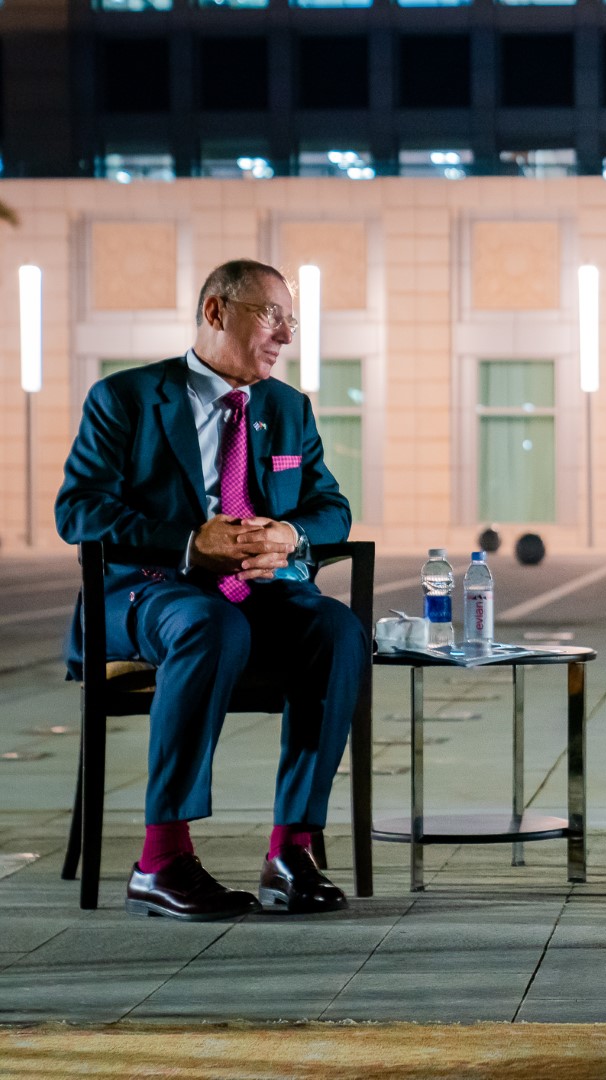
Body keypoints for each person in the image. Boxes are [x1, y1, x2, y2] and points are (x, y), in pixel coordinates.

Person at [57, 259, 365, 921]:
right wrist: (192, 543)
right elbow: (78, 512)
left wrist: (289, 533)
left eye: (291, 321)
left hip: (252, 591)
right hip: (146, 590)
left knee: (338, 630)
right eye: (270, 315)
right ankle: (161, 859)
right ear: (218, 312)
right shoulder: (127, 398)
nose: (285, 335)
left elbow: (332, 507)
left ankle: (292, 851)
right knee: (208, 624)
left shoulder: (286, 408)